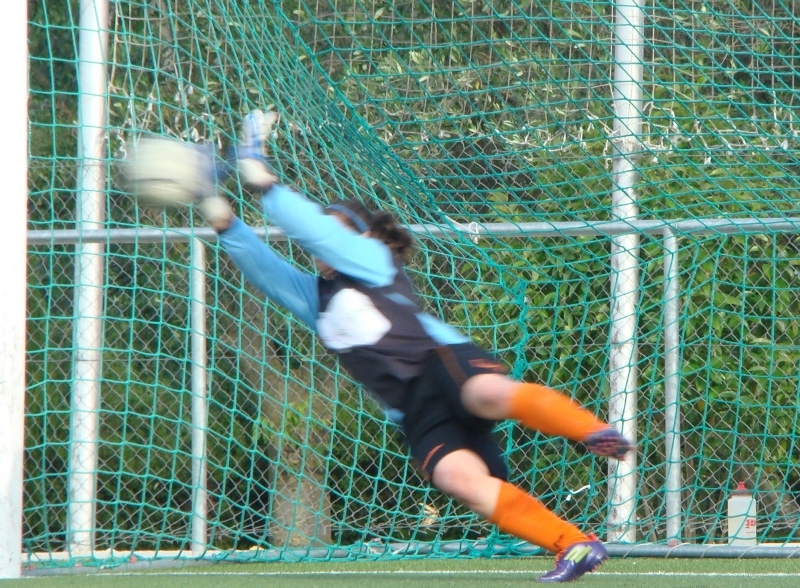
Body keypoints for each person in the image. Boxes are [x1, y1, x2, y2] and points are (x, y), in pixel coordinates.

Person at [177, 111, 633, 583]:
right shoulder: (318, 300)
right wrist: (212, 202)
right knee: (463, 483)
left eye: (336, 228)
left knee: (490, 395)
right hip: (414, 411)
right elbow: (263, 268)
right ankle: (575, 544)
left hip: (443, 365)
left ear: (365, 236)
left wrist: (261, 179)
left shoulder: (375, 260)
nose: (322, 242)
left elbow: (316, 231)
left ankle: (591, 431)